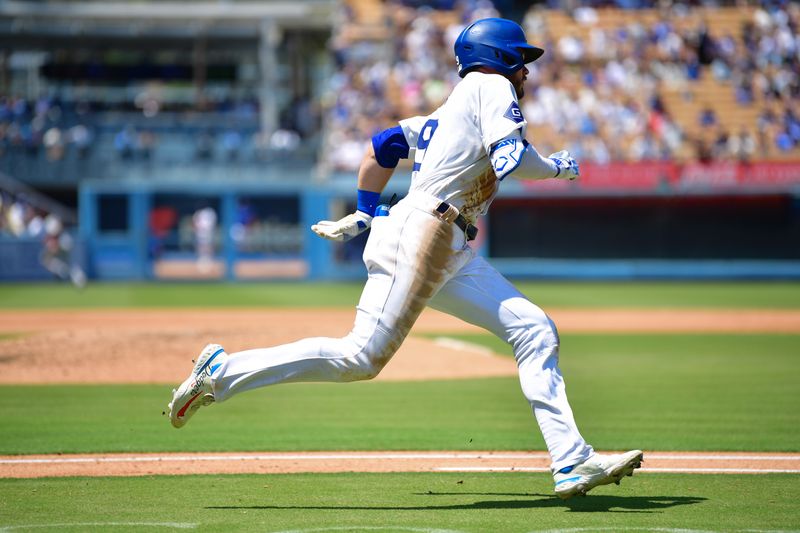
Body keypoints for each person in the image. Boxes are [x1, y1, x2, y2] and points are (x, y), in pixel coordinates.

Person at [167, 18, 642, 499]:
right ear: (502, 58)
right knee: (361, 356)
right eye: (522, 60)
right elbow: (512, 159)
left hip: (443, 241)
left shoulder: (449, 111)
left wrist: (362, 212)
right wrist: (550, 166)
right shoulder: (492, 86)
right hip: (426, 232)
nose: (526, 71)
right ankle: (222, 371)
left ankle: (571, 461)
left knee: (534, 329)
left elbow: (382, 147)